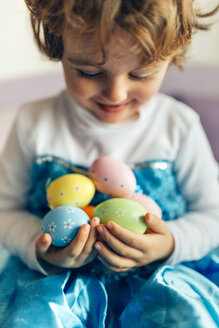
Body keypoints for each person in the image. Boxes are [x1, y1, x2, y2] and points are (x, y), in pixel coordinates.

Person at [0, 1, 219, 327]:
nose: (115, 93)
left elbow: (213, 213)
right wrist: (43, 250)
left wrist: (170, 243)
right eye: (89, 72)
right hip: (55, 294)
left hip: (162, 287)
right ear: (58, 46)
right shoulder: (34, 123)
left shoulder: (178, 125)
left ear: (171, 57)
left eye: (141, 73)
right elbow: (5, 209)